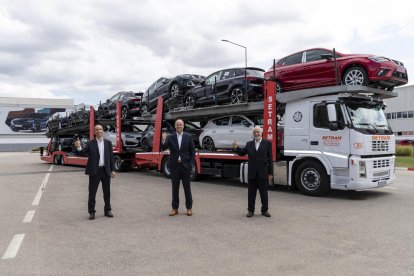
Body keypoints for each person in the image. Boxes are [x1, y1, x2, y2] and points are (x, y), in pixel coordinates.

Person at [75, 125, 116, 220]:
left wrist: (113, 170)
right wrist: (79, 147)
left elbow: (111, 158)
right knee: (92, 193)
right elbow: (83, 154)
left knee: (107, 193)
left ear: (103, 131)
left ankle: (108, 210)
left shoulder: (108, 143)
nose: (99, 131)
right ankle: (92, 212)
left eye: (101, 129)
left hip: (106, 171)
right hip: (94, 171)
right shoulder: (90, 143)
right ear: (94, 132)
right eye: (97, 130)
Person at [232, 126, 273, 218]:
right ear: (253, 134)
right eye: (254, 132)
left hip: (263, 172)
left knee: (264, 193)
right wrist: (236, 148)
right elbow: (242, 153)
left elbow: (270, 159)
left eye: (258, 132)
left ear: (261, 133)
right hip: (252, 173)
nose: (256, 134)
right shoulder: (249, 144)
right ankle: (251, 210)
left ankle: (265, 210)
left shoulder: (267, 143)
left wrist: (270, 173)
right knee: (251, 193)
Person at [161, 119, 195, 216]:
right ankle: (174, 208)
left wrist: (190, 164)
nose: (179, 126)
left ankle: (189, 208)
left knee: (187, 188)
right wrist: (164, 139)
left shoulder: (188, 137)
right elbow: (163, 148)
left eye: (180, 125)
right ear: (175, 126)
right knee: (175, 188)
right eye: (177, 125)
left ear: (183, 126)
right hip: (175, 166)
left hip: (185, 166)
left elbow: (192, 151)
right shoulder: (170, 137)